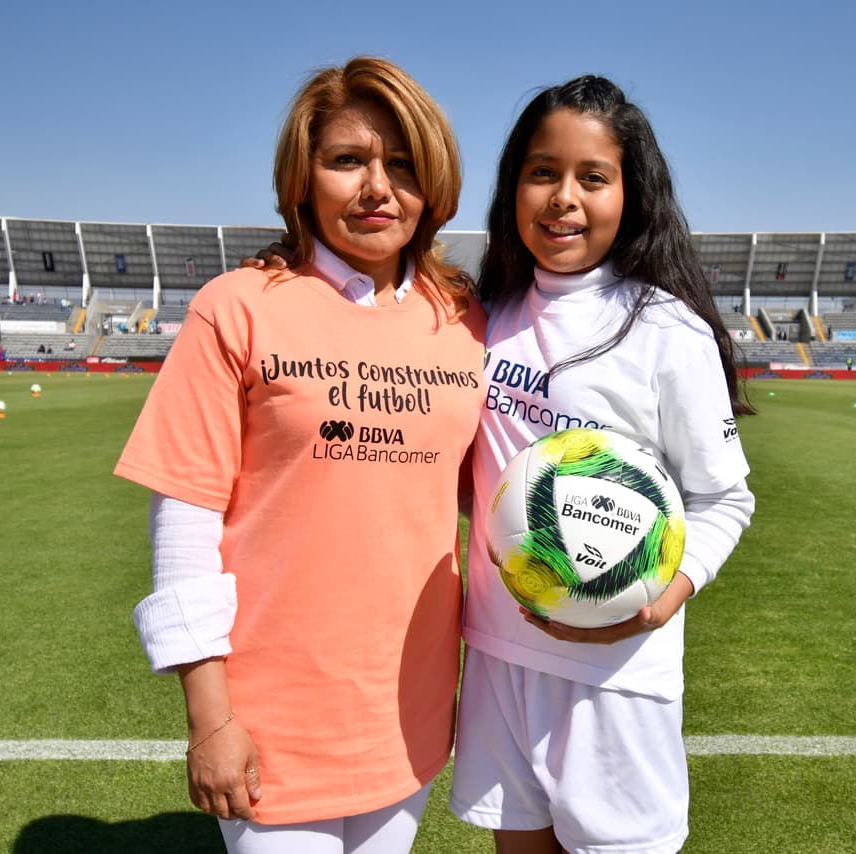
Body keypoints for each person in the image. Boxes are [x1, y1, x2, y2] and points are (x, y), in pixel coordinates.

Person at [113, 56, 485, 854]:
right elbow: (184, 525)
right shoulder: (236, 307)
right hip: (273, 713)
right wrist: (210, 718)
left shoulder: (464, 321)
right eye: (347, 160)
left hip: (408, 708)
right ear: (301, 177)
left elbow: (483, 497)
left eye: (404, 165)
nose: (378, 188)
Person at [449, 75, 756, 854]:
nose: (564, 198)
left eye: (593, 177)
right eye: (542, 172)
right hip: (496, 651)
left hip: (615, 671)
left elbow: (726, 500)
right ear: (513, 185)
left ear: (631, 193)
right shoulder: (487, 315)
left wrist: (663, 598)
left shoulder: (663, 329)